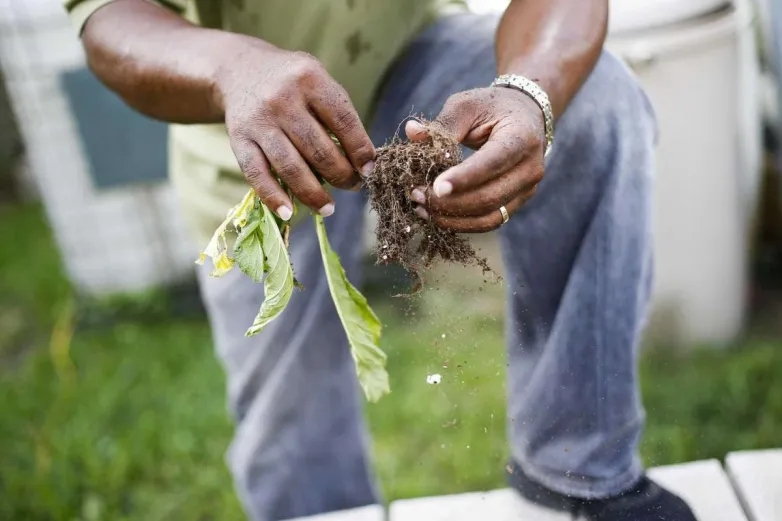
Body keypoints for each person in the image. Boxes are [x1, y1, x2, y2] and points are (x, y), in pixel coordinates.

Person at [64, 1, 698, 520]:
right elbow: (111, 22)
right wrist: (232, 67)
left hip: (409, 55)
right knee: (295, 426)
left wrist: (529, 92)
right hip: (253, 138)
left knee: (597, 101)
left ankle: (576, 468)